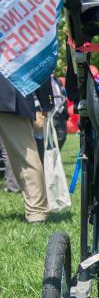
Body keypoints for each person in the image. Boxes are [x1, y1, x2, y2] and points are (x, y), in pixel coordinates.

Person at [0, 74, 52, 224]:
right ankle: (36, 211)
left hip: (10, 95)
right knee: (25, 156)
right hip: (11, 93)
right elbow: (39, 61)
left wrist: (46, 101)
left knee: (25, 156)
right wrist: (46, 102)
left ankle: (37, 211)